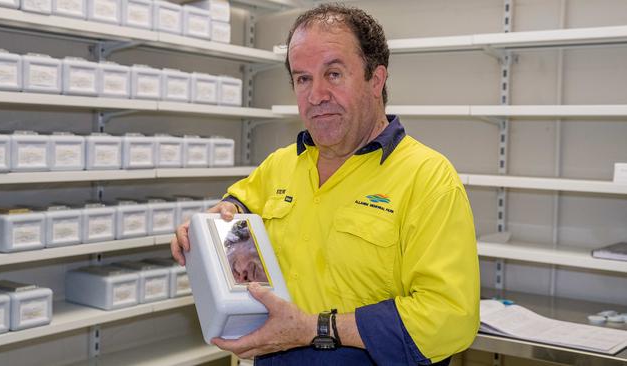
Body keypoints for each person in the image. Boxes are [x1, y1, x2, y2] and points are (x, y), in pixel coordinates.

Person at [172, 4, 480, 365]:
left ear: (375, 80)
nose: (316, 95)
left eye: (333, 74)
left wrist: (314, 328)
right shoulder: (283, 163)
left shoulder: (428, 178)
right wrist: (218, 220)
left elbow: (451, 318)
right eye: (303, 79)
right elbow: (241, 202)